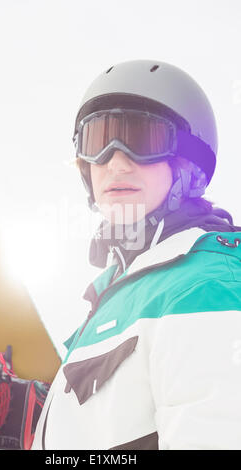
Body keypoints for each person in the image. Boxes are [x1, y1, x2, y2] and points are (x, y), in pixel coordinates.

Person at [32, 60, 241, 450]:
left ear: (187, 167)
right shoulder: (113, 295)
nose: (116, 161)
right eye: (98, 143)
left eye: (142, 139)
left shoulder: (207, 282)